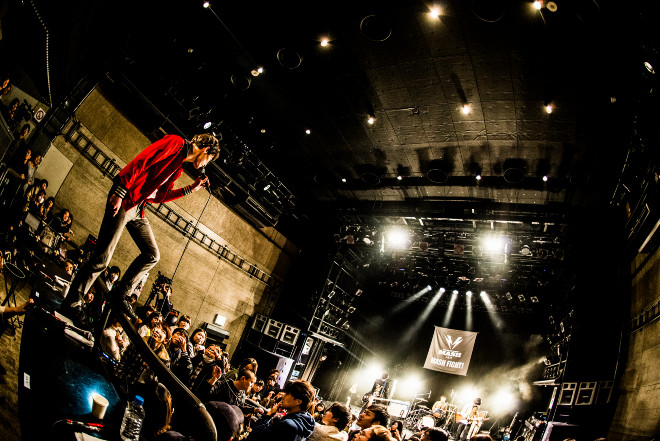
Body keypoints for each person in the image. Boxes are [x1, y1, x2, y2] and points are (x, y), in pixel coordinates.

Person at [65, 133, 220, 310]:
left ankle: (121, 293)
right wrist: (121, 191)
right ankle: (73, 302)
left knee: (152, 255)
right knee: (102, 257)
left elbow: (160, 196)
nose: (205, 165)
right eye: (209, 160)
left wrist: (191, 189)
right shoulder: (176, 143)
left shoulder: (178, 168)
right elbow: (142, 161)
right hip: (126, 198)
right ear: (206, 149)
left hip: (138, 207)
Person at [248, 380, 316, 441]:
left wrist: (269, 414)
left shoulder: (286, 425)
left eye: (287, 393)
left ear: (298, 402)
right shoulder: (305, 422)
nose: (283, 396)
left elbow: (254, 435)